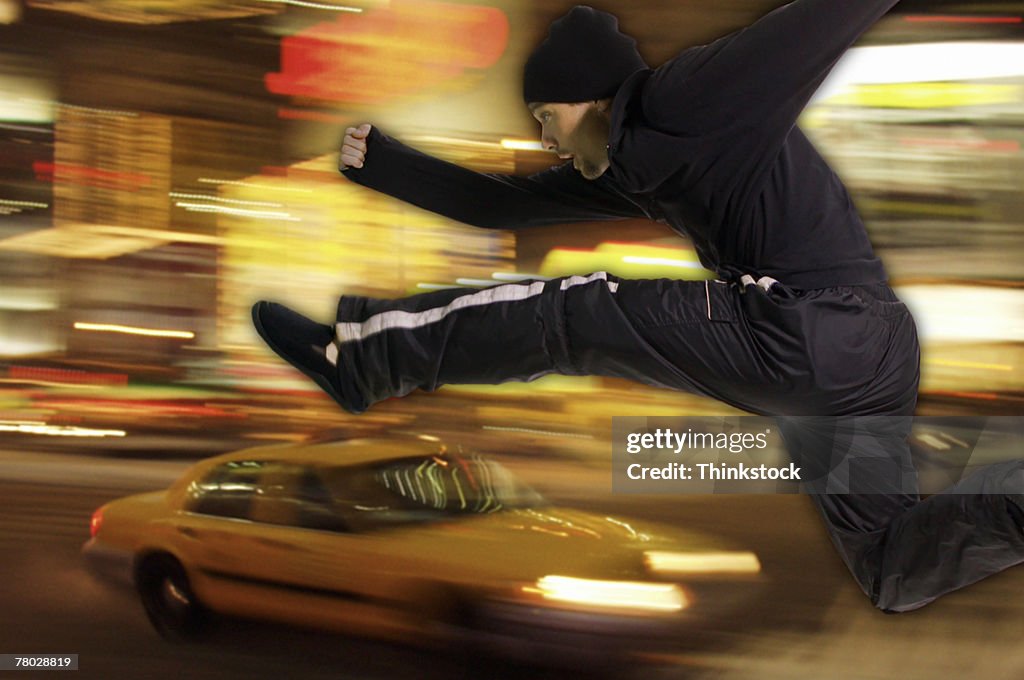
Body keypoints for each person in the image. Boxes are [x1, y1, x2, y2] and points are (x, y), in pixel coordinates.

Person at [252, 2, 1024, 612]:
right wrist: (384, 164)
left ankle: (358, 356)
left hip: (814, 331)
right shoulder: (623, 166)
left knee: (578, 311)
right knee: (890, 562)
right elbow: (501, 205)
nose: (546, 140)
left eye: (545, 118)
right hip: (865, 354)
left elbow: (811, 29)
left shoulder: (688, 94)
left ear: (584, 97)